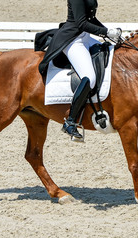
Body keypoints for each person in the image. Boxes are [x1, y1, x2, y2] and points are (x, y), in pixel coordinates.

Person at [38, 0, 121, 142]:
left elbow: (91, 18)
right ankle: (70, 120)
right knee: (90, 77)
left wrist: (108, 33)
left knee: (111, 52)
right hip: (73, 40)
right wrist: (105, 31)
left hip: (86, 38)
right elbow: (81, 23)